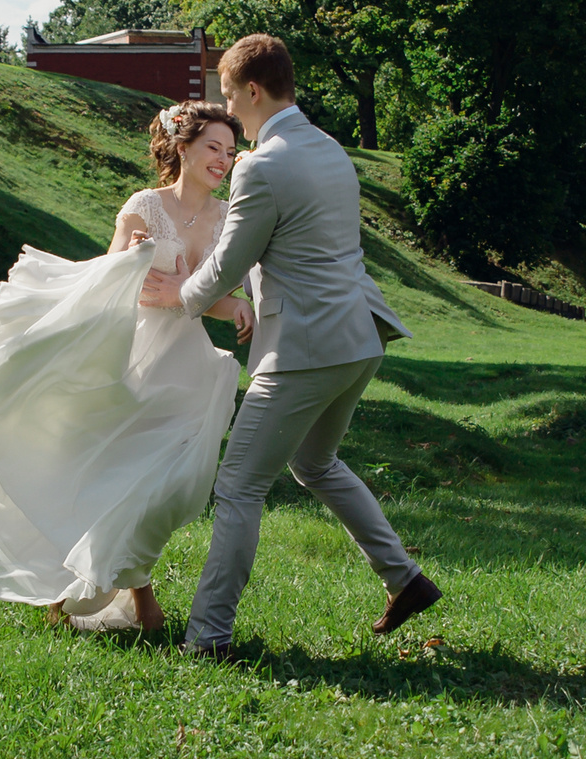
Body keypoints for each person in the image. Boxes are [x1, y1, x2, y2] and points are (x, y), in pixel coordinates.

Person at [139, 33, 442, 660]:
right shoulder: (329, 148)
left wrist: (179, 298)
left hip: (305, 347)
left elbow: (227, 263)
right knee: (315, 463)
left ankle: (207, 638)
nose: (233, 115)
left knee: (240, 486)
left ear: (251, 91)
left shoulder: (263, 164)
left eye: (230, 97)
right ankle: (405, 579)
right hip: (359, 337)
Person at [0, 102, 256, 633]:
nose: (224, 159)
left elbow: (205, 294)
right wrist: (134, 260)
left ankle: (122, 588)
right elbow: (109, 286)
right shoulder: (144, 207)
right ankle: (124, 597)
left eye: (230, 151)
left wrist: (236, 305)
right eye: (213, 147)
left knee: (165, 484)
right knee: (122, 474)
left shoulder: (225, 218)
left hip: (185, 362)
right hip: (134, 350)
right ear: (183, 148)